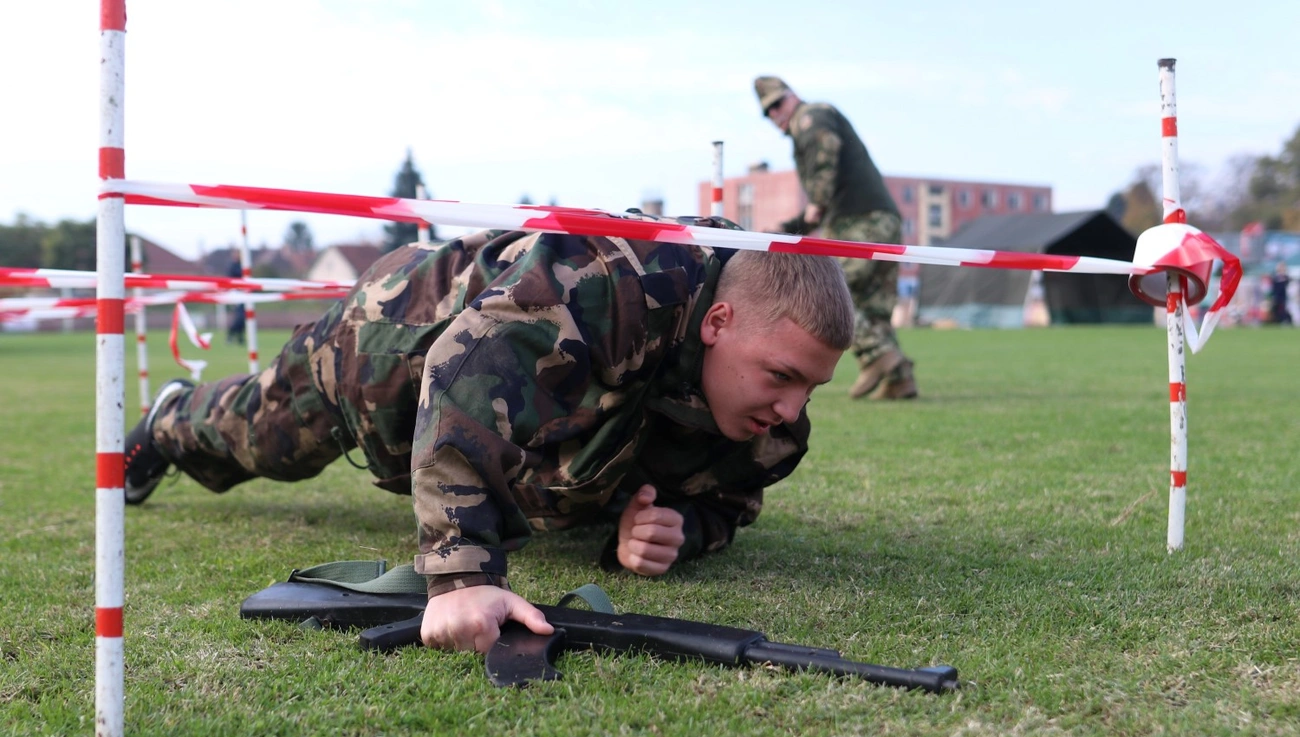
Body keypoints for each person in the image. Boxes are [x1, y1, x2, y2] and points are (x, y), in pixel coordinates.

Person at [123, 214, 853, 654]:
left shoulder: (763, 418)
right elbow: (464, 372)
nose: (792, 409)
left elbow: (726, 499)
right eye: (781, 375)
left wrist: (677, 530)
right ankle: (171, 417)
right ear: (719, 323)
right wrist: (462, 575)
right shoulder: (612, 279)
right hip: (385, 352)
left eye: (811, 388)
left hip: (538, 422)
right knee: (262, 438)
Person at [754, 75, 917, 400]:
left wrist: (817, 201)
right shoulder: (815, 119)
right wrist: (794, 224)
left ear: (793, 95)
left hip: (857, 223)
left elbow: (826, 151)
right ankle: (899, 380)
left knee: (833, 295)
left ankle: (879, 355)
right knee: (872, 304)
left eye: (778, 103)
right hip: (881, 218)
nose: (775, 114)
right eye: (768, 111)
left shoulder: (811, 117)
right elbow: (815, 207)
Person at [226, 253, 247, 345]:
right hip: (236, 293)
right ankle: (230, 335)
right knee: (239, 317)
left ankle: (240, 337)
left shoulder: (243, 265)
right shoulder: (233, 267)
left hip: (243, 293)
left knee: (243, 318)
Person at [1269, 261, 1293, 325]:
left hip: (1284, 296)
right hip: (1277, 296)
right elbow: (1273, 288)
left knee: (1284, 309)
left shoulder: (1287, 278)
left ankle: (1285, 320)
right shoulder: (1275, 278)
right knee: (1276, 309)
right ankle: (1277, 320)